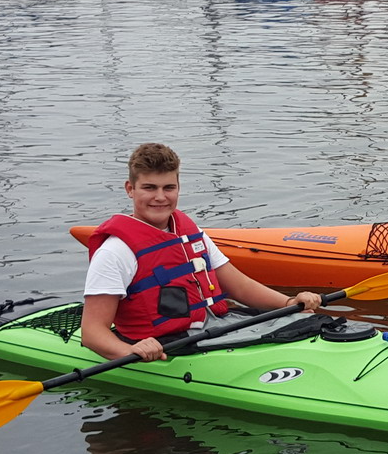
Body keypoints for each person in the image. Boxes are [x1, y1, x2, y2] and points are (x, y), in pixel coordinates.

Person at [82, 143, 321, 362]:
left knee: (309, 321)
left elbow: (239, 287)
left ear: (178, 188)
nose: (160, 197)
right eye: (149, 188)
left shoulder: (189, 232)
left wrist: (288, 302)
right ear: (130, 189)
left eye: (169, 187)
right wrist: (131, 352)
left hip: (212, 326)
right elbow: (92, 333)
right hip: (167, 343)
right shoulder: (115, 252)